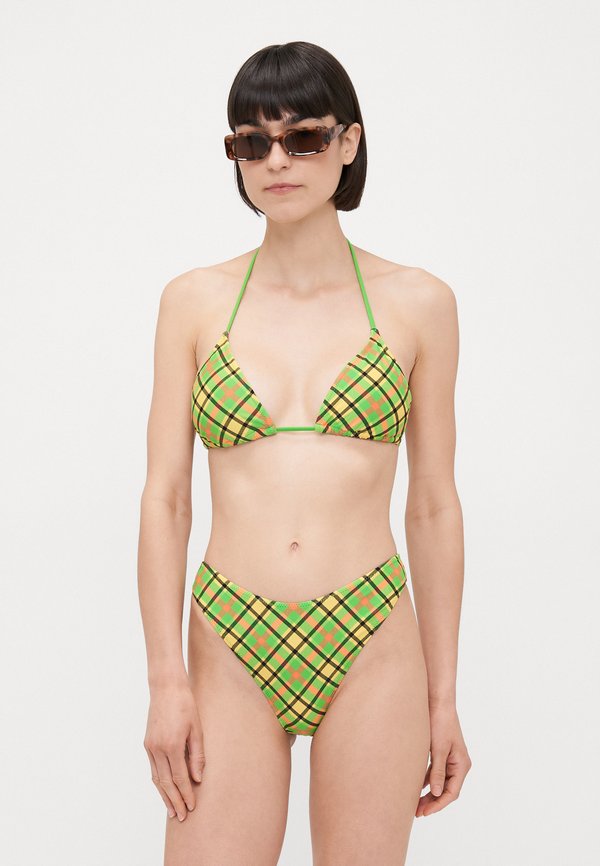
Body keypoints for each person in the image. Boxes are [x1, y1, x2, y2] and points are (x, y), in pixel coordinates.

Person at [138, 40, 471, 866]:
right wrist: (165, 681)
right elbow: (166, 500)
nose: (276, 161)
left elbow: (433, 505)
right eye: (252, 142)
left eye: (304, 137)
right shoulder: (192, 302)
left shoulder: (420, 303)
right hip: (229, 635)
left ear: (349, 143)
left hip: (372, 634)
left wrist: (443, 698)